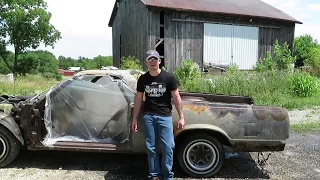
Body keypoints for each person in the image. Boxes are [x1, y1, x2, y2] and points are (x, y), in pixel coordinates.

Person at [131, 50, 185, 180]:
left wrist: (181, 116)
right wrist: (134, 119)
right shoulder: (143, 79)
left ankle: (167, 176)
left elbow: (176, 97)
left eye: (155, 59)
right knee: (151, 147)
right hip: (148, 116)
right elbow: (138, 98)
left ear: (159, 61)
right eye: (150, 59)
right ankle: (154, 175)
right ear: (146, 62)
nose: (153, 62)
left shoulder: (169, 77)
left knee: (168, 147)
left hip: (165, 116)